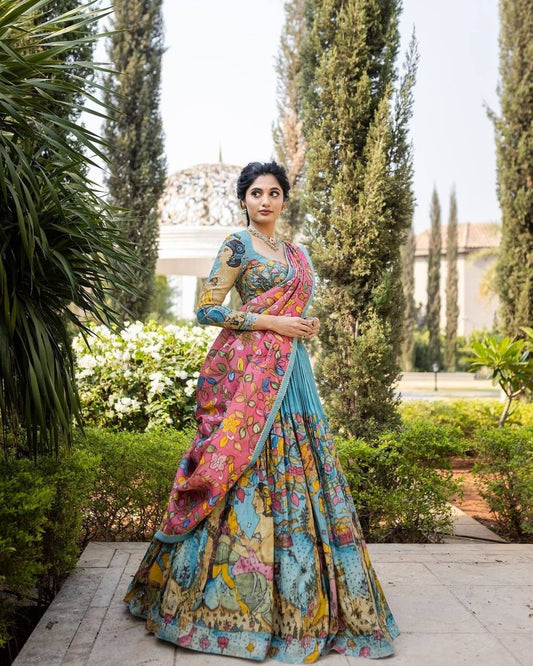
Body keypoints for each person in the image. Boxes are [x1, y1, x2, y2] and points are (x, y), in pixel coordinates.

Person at [124, 161, 399, 663]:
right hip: (250, 375)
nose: (265, 201)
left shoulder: (297, 254)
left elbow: (293, 314)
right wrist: (274, 322)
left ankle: (306, 603)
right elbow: (207, 308)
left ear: (284, 199)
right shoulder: (237, 245)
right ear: (244, 200)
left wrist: (303, 326)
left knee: (306, 463)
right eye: (256, 193)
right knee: (239, 461)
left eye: (274, 193)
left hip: (292, 373)